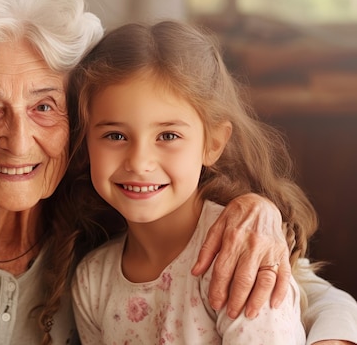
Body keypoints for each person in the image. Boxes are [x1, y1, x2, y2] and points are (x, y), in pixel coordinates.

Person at [0, 0, 356, 344]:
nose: (19, 142)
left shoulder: (108, 205)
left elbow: (314, 300)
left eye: (44, 106)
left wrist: (256, 214)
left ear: (74, 122)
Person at [67, 20, 357, 344]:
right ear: (84, 142)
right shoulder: (92, 280)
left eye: (168, 135)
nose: (139, 161)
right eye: (115, 135)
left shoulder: (241, 256)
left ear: (214, 143)